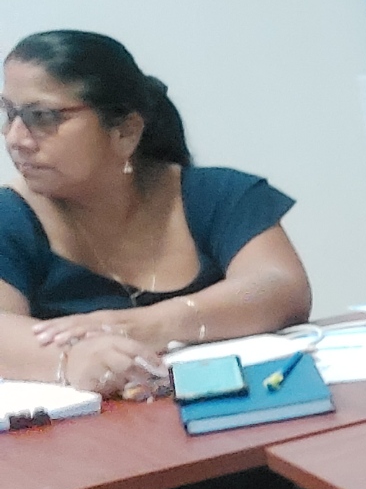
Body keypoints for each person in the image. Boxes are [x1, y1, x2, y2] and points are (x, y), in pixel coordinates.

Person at [1, 31, 310, 400]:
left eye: (41, 117)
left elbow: (282, 287)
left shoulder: (218, 194)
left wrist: (150, 325)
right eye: (9, 113)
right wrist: (71, 360)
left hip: (239, 411)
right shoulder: (10, 217)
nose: (15, 139)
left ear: (126, 131)